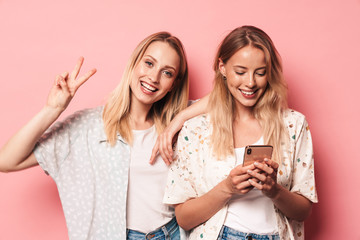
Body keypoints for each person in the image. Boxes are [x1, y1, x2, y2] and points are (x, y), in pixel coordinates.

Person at [0, 32, 207, 240]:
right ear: (134, 63)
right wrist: (52, 109)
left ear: (174, 84)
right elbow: (6, 161)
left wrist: (180, 119)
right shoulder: (88, 127)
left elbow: (226, 99)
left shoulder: (185, 125)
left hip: (170, 234)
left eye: (167, 73)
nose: (153, 77)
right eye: (149, 63)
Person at [163, 26, 318, 240]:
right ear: (222, 67)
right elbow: (184, 219)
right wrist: (227, 188)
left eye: (260, 72)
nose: (251, 82)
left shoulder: (294, 125)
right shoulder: (196, 129)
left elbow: (304, 211)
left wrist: (274, 190)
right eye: (240, 71)